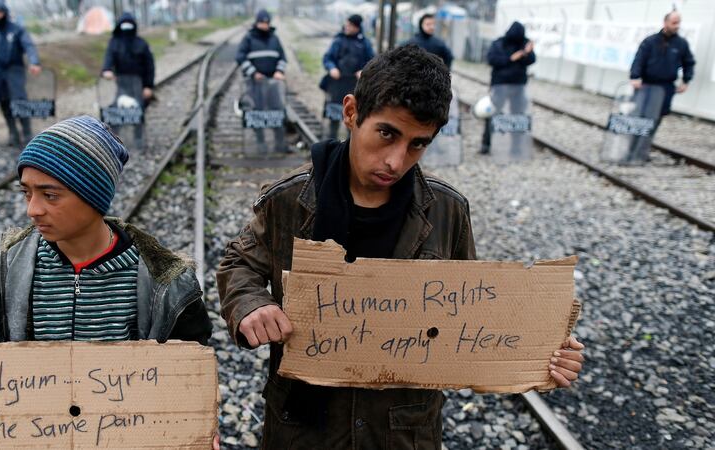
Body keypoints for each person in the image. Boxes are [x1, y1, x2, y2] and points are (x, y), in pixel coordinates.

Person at [217, 45, 584, 449]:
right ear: (352, 112)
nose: (395, 160)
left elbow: (478, 312)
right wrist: (251, 303)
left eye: (417, 144)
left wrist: (542, 353)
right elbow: (238, 263)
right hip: (304, 429)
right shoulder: (289, 201)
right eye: (387, 133)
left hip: (401, 432)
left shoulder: (447, 212)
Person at [0, 116, 217, 449]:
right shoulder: (6, 267)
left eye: (50, 196)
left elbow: (188, 371)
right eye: (27, 193)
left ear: (94, 196)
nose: (33, 210)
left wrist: (197, 421)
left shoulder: (166, 281)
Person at [627, 10, 695, 162]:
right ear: (665, 23)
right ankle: (631, 149)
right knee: (639, 116)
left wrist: (686, 80)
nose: (677, 26)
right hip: (646, 85)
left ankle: (642, 151)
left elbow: (689, 63)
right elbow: (639, 60)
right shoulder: (650, 41)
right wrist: (635, 77)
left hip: (665, 88)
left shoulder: (681, 44)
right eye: (674, 22)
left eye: (679, 23)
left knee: (655, 119)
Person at [0, 0, 41, 147]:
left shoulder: (17, 30)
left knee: (19, 100)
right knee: (4, 102)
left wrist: (34, 62)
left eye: (0, 12)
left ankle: (27, 132)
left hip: (14, 70)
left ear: (5, 13)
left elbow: (29, 46)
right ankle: (13, 133)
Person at [236, 9, 289, 154]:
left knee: (277, 111)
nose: (264, 25)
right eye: (261, 23)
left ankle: (280, 144)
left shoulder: (274, 38)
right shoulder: (248, 38)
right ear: (256, 22)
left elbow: (283, 58)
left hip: (273, 84)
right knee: (257, 113)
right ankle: (261, 144)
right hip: (255, 84)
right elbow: (240, 57)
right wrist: (253, 73)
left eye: (266, 23)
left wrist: (279, 71)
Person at [102, 12, 156, 150]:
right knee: (115, 111)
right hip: (121, 84)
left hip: (139, 84)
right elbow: (108, 58)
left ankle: (139, 140)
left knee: (138, 111)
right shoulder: (114, 43)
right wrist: (107, 70)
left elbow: (150, 66)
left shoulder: (141, 44)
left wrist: (148, 86)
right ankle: (113, 142)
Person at [481, 21, 535, 154]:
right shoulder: (499, 43)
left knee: (517, 117)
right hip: (501, 85)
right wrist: (511, 58)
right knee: (493, 114)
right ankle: (486, 144)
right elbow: (491, 60)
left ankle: (515, 147)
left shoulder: (524, 44)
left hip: (518, 86)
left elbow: (532, 60)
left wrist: (527, 52)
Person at [320, 14, 375, 139]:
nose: (347, 27)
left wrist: (363, 70)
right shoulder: (338, 40)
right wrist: (331, 68)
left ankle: (350, 149)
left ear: (356, 27)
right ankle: (331, 144)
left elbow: (372, 61)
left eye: (350, 25)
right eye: (347, 24)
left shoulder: (364, 43)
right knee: (334, 117)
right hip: (337, 83)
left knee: (352, 119)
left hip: (354, 85)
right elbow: (327, 58)